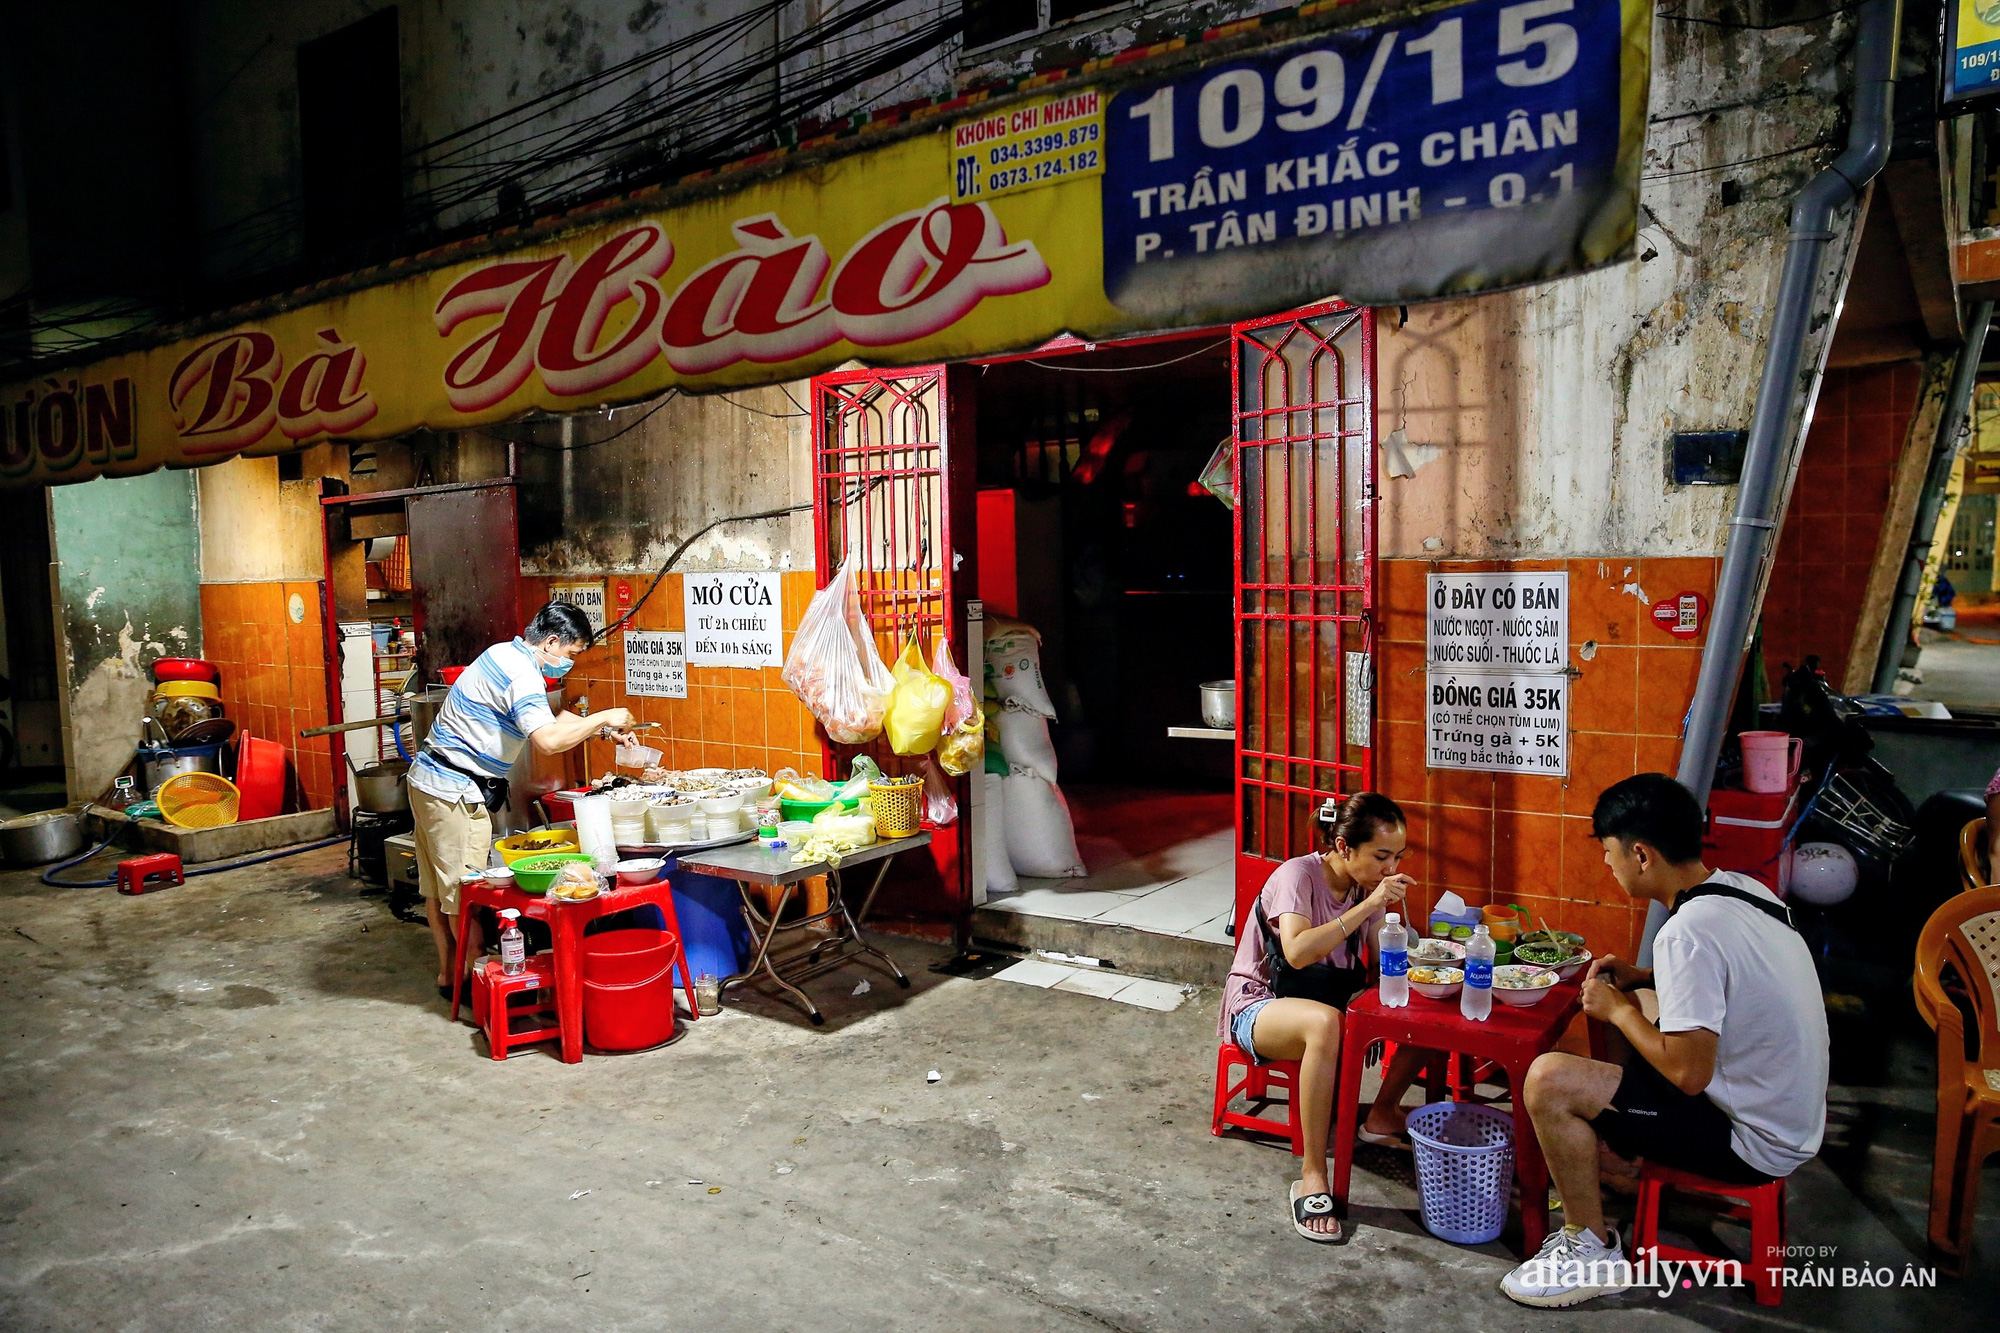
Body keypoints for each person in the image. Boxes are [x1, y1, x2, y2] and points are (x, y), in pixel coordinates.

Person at [1500, 772, 1829, 1308]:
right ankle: (1622, 1153)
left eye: (1610, 854)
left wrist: (1619, 1011)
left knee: (1548, 1080)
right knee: (1629, 1003)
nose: (1608, 865)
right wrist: (1644, 977)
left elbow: (1688, 1074)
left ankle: (1591, 1250)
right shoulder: (1741, 890)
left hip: (1753, 1141)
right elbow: (1734, 981)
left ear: (1642, 855)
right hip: (1791, 1114)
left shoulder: (1686, 932)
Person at [1216, 791, 1444, 1243]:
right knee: (1324, 1023)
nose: (1390, 868)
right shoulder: (1296, 876)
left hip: (1331, 1005)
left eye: (1397, 856)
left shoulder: (1369, 890)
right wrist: (1367, 905)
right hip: (1261, 1004)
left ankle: (1380, 1115)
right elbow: (1298, 953)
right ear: (1344, 847)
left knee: (1431, 1005)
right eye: (1381, 856)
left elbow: (1384, 959)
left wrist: (1410, 945)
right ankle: (1313, 1173)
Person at [406, 601, 638, 1000]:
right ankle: (476, 987)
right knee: (467, 895)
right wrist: (603, 718)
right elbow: (547, 740)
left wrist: (599, 729)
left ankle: (451, 976)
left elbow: (550, 717)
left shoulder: (504, 653)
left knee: (437, 890)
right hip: (454, 793)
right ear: (551, 642)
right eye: (571, 654)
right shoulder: (522, 675)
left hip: (428, 781)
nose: (570, 664)